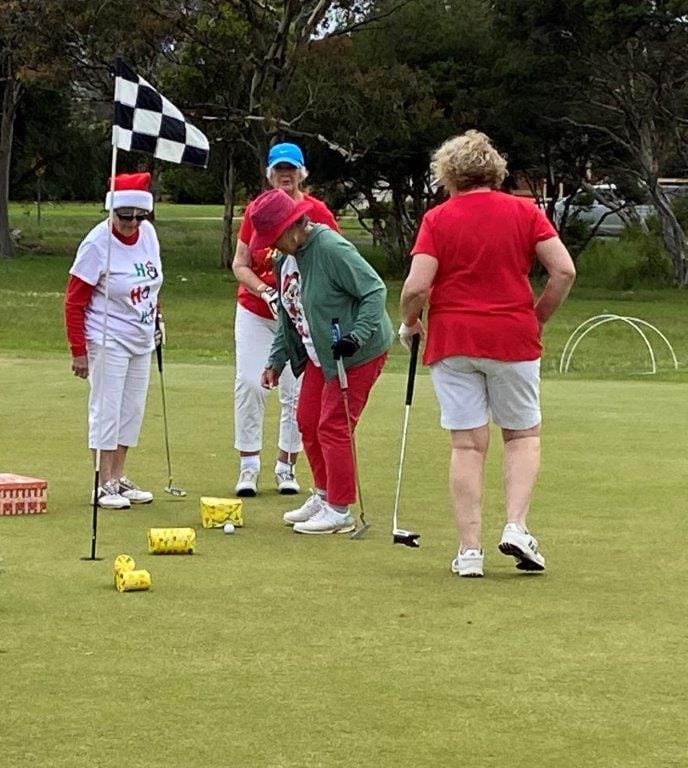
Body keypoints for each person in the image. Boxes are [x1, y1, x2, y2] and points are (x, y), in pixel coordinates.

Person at [399, 130, 576, 577]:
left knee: (467, 444)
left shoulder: (438, 218)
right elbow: (563, 271)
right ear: (495, 170)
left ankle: (469, 551)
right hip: (512, 337)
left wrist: (409, 322)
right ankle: (516, 526)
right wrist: (538, 317)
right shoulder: (525, 211)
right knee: (521, 435)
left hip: (453, 339)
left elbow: (416, 287)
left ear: (449, 174)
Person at [255, 188, 393, 534]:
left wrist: (356, 336)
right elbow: (289, 314)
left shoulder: (330, 248)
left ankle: (340, 509)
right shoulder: (284, 259)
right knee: (307, 420)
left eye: (274, 237)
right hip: (321, 352)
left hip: (356, 352)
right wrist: (276, 360)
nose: (271, 246)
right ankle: (323, 494)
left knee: (333, 425)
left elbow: (374, 290)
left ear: (293, 228)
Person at [231, 142, 341, 497]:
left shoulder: (317, 212)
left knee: (295, 393)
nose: (285, 175)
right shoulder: (257, 210)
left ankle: (286, 466)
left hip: (301, 316)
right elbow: (240, 264)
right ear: (270, 173)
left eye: (291, 169)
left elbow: (335, 258)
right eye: (279, 169)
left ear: (301, 173)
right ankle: (249, 466)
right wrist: (265, 291)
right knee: (250, 384)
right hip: (256, 309)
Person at [64, 172, 164, 509]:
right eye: (125, 216)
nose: (132, 223)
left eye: (139, 216)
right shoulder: (97, 244)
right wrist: (78, 350)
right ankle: (102, 482)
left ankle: (118, 477)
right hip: (107, 336)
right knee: (106, 408)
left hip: (141, 336)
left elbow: (151, 284)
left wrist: (157, 318)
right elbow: (74, 301)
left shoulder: (148, 235)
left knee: (131, 410)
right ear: (112, 212)